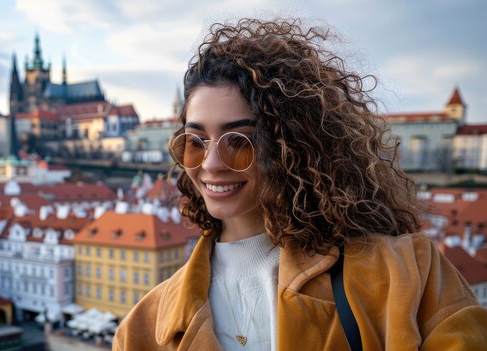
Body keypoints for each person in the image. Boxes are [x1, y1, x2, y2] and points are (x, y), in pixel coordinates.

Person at [113, 18, 487, 350]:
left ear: (290, 144)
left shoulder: (408, 273)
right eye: (195, 142)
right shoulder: (142, 330)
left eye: (238, 141)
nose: (211, 164)